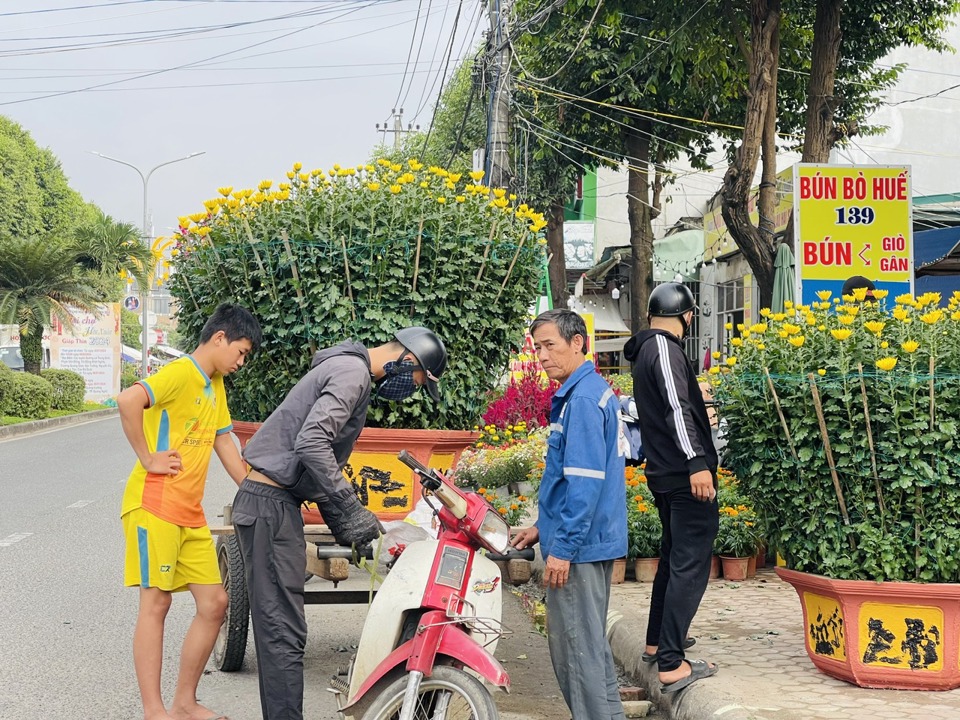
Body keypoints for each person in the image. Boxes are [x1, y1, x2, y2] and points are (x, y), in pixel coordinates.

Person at [232, 326, 447, 720]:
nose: (412, 389)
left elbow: (310, 459)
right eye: (418, 381)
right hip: (269, 506)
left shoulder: (348, 368)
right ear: (409, 361)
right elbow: (312, 441)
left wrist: (347, 522)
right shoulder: (354, 373)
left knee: (284, 632)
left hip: (274, 504)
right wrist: (349, 506)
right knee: (282, 634)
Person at [118, 303, 262, 720]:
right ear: (219, 338)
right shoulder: (181, 373)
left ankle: (184, 703)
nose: (241, 361)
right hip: (153, 505)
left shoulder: (214, 385)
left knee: (215, 602)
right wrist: (148, 458)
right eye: (240, 351)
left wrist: (257, 492)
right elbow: (128, 401)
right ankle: (154, 711)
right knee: (156, 604)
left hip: (189, 512)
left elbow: (224, 447)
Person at [511, 309, 627, 720]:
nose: (541, 356)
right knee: (589, 650)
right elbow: (573, 480)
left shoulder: (580, 400)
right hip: (589, 541)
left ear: (577, 342)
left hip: (580, 548)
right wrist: (542, 528)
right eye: (537, 347)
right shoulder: (588, 391)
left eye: (549, 346)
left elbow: (584, 485)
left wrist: (562, 549)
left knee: (577, 654)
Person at [622, 282, 719, 694]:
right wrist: (698, 463)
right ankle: (672, 664)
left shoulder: (647, 348)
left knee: (673, 558)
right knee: (689, 565)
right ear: (688, 317)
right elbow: (678, 408)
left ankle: (656, 643)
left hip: (665, 474)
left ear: (649, 316)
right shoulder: (662, 347)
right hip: (684, 476)